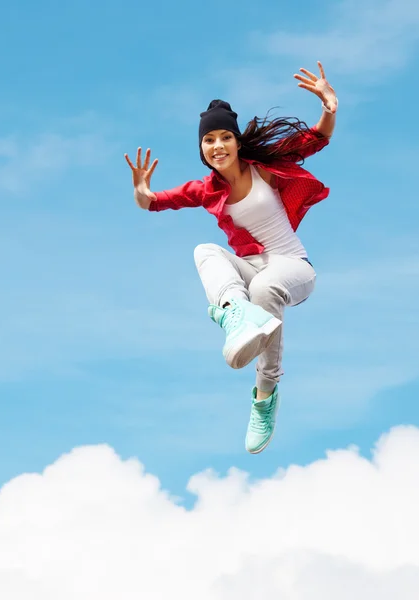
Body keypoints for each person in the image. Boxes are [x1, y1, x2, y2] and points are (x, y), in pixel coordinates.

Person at [125, 61, 337, 454]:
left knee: (267, 287)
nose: (217, 145)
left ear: (237, 143)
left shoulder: (266, 168)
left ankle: (264, 398)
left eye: (225, 137)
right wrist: (141, 191)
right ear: (202, 150)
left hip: (292, 267)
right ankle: (232, 313)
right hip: (252, 269)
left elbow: (316, 138)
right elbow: (154, 203)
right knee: (205, 250)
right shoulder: (205, 189)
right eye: (209, 141)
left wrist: (328, 106)